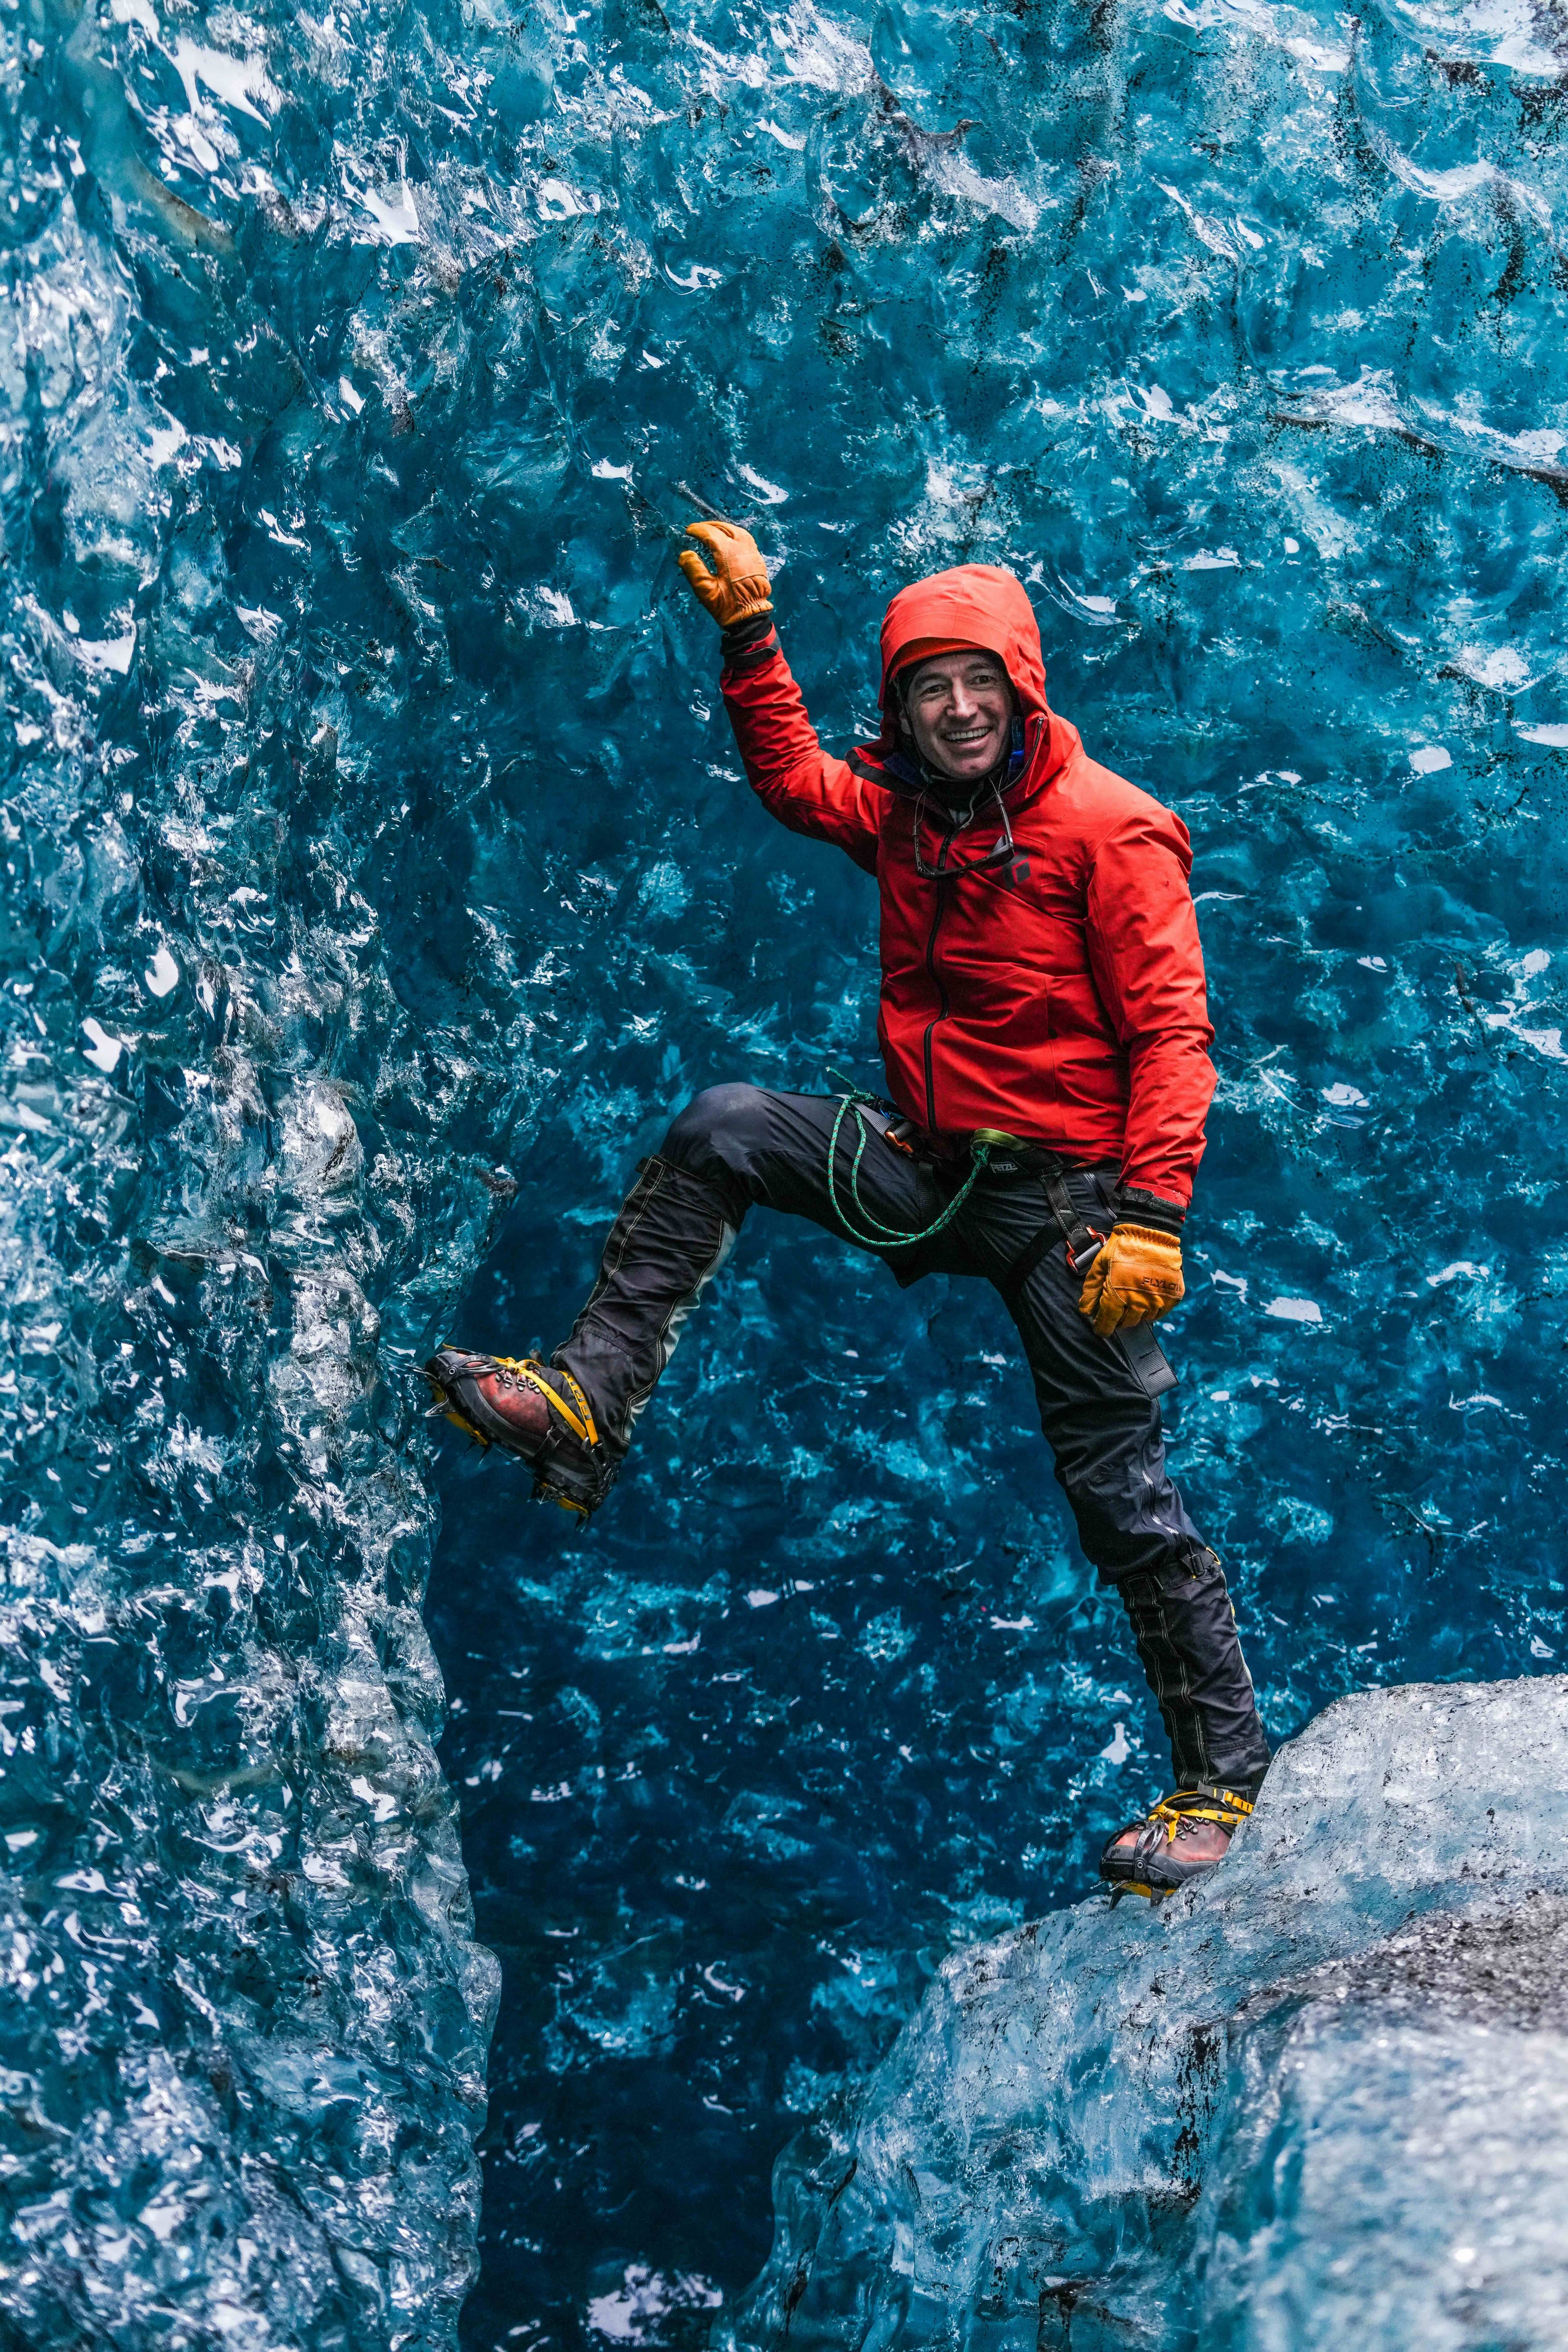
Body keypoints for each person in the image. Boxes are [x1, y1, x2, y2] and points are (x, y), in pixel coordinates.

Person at [425, 520, 1271, 1895]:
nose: (955, 708)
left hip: (1072, 1210)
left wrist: (1154, 1217)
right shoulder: (909, 813)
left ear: (1023, 686)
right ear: (904, 705)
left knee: (1121, 1497)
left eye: (978, 682)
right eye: (929, 687)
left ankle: (1223, 1787)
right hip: (933, 1170)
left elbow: (1176, 1035)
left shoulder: (1110, 832)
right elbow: (792, 783)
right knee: (723, 1130)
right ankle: (587, 1397)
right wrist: (753, 637)